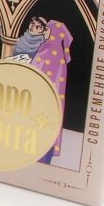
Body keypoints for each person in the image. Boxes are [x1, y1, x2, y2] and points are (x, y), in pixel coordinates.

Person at [31, 19, 73, 164]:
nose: (44, 32)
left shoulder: (46, 52)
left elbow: (32, 74)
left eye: (47, 30)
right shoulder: (59, 55)